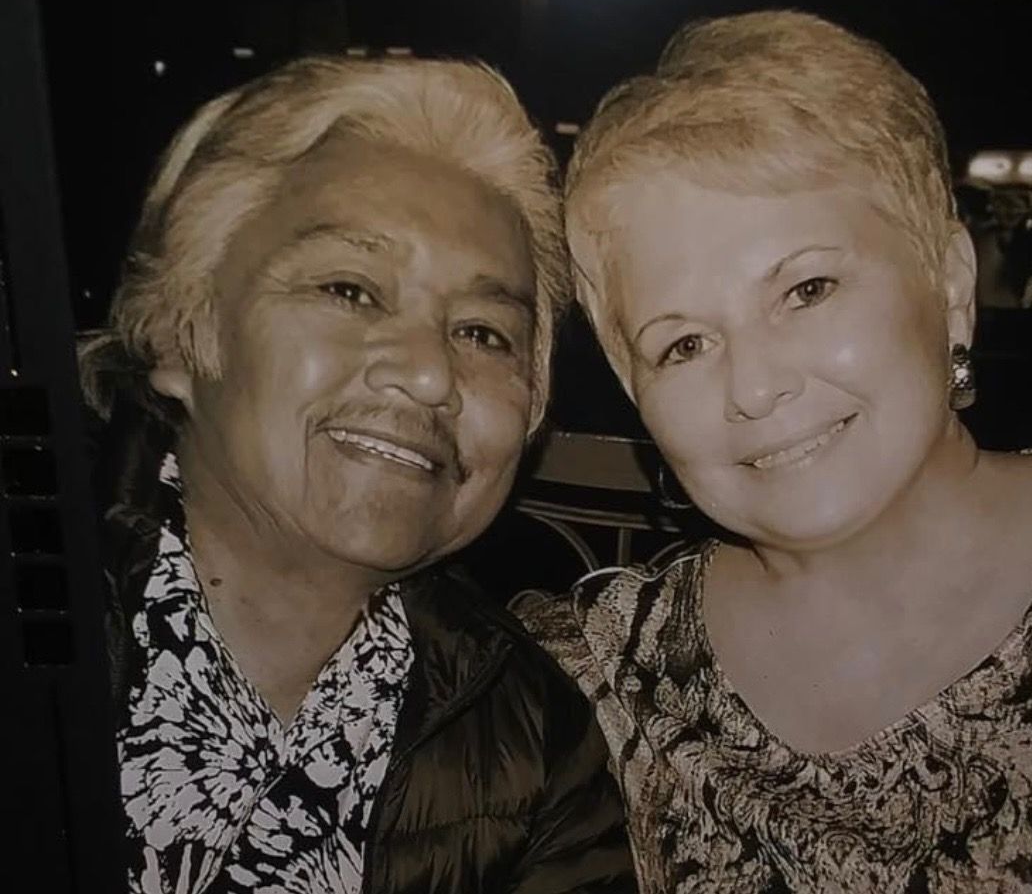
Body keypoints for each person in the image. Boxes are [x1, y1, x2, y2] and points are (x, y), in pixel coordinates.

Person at [518, 10, 1032, 893]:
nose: (752, 387)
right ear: (639, 397)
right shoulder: (591, 683)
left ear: (951, 282)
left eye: (807, 289)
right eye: (684, 345)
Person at [79, 55, 636, 894]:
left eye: (485, 333)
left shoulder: (536, 743)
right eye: (350, 289)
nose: (428, 375)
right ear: (175, 333)